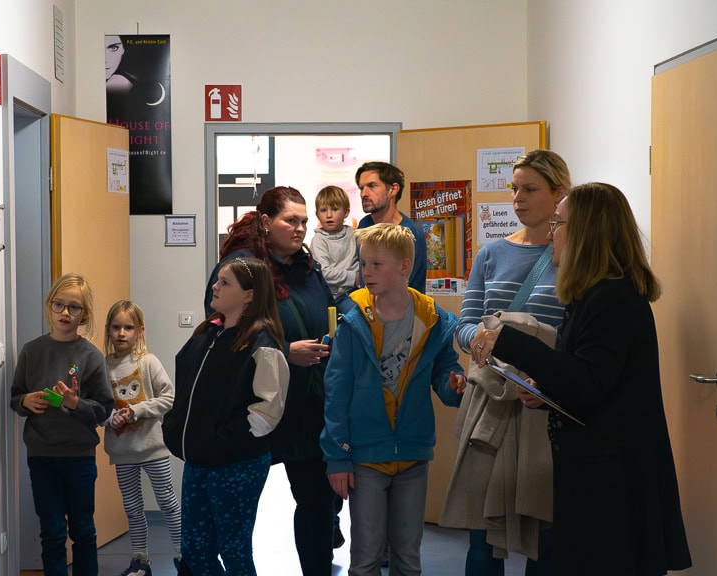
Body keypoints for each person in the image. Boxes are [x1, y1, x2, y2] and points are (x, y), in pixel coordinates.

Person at [469, 183, 692, 576]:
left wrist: (508, 341)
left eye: (558, 223)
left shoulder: (611, 298)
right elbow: (594, 377)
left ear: (586, 232)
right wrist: (546, 391)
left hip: (611, 477)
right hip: (598, 469)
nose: (550, 234)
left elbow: (588, 384)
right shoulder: (594, 295)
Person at [442, 149, 570, 575]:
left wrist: (544, 375)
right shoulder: (491, 254)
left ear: (559, 194)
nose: (518, 198)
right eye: (514, 188)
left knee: (543, 532)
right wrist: (478, 340)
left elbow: (574, 333)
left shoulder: (571, 256)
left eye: (530, 189)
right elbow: (464, 324)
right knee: (482, 537)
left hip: (542, 403)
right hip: (491, 403)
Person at [204, 186, 336, 576]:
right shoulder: (240, 268)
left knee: (317, 505)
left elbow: (328, 308)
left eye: (304, 221)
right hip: (252, 409)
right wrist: (286, 350)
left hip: (306, 406)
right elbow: (221, 332)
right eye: (290, 220)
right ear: (265, 221)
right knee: (233, 513)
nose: (300, 229)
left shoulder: (307, 268)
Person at [321, 223, 466, 576]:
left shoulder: (433, 320)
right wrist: (337, 456)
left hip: (413, 453)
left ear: (404, 267)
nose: (366, 272)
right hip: (366, 455)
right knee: (366, 558)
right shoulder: (353, 321)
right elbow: (336, 392)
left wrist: (454, 386)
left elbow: (444, 373)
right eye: (363, 264)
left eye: (376, 264)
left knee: (408, 558)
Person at [164, 257, 289, 575]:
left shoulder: (263, 344)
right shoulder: (206, 334)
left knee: (233, 549)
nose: (215, 287)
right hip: (199, 460)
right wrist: (174, 425)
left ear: (249, 295)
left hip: (237, 464)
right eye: (217, 280)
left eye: (225, 282)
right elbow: (186, 391)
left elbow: (267, 411)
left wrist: (222, 440)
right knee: (194, 550)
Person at [9, 272, 114, 576]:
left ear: (84, 315)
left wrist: (75, 404)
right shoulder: (32, 351)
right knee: (52, 531)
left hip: (79, 457)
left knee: (83, 530)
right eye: (59, 304)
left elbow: (104, 410)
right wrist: (25, 401)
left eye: (74, 307)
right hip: (42, 456)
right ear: (49, 306)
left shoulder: (91, 356)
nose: (65, 312)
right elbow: (15, 397)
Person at [102, 300, 184, 576]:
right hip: (122, 452)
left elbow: (168, 397)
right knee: (133, 508)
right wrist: (110, 418)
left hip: (153, 449)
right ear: (108, 329)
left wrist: (135, 410)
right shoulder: (103, 366)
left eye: (128, 327)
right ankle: (140, 562)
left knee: (168, 502)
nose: (121, 333)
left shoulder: (148, 362)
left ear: (139, 330)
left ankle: (184, 555)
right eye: (116, 327)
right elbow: (99, 406)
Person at [356, 161, 427, 294]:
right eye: (361, 188)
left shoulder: (410, 233)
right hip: (366, 304)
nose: (363, 193)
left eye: (372, 186)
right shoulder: (364, 225)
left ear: (393, 189)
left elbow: (405, 289)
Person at [309, 185, 359, 298]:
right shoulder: (319, 240)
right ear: (317, 214)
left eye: (335, 209)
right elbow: (324, 272)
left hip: (358, 290)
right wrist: (354, 277)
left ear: (346, 212)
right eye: (323, 210)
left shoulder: (355, 234)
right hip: (335, 297)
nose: (329, 215)